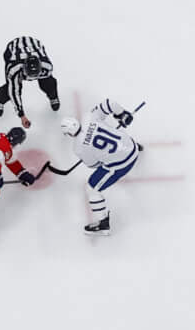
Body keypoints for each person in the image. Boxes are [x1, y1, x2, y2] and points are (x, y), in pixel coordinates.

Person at [61, 98, 144, 235]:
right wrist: (121, 114)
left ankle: (103, 223)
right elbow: (109, 104)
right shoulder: (89, 117)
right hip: (131, 146)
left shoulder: (77, 148)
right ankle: (135, 148)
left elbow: (94, 165)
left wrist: (100, 154)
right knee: (120, 139)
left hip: (124, 164)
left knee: (92, 188)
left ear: (69, 133)